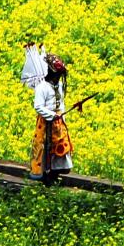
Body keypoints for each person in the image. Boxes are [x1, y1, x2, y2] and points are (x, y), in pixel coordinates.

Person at [31, 54, 74, 183]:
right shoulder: (42, 87)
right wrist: (51, 115)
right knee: (45, 146)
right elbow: (38, 106)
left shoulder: (59, 85)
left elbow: (61, 102)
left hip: (58, 122)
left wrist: (62, 116)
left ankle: (56, 172)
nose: (59, 77)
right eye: (57, 74)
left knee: (60, 145)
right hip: (46, 122)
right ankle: (45, 174)